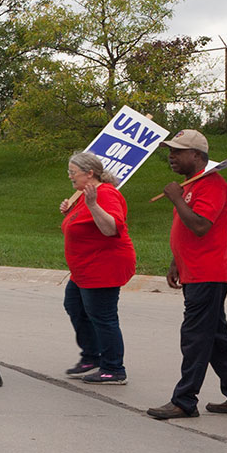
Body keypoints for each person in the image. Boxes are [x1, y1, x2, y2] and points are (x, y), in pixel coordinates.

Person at [147, 130, 227, 420]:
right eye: (170, 151)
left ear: (197, 155)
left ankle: (184, 400)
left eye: (178, 151)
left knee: (196, 337)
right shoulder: (191, 184)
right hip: (194, 270)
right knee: (216, 338)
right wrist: (176, 260)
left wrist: (176, 198)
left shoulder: (211, 185)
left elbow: (200, 226)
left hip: (208, 272)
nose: (171, 156)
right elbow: (186, 230)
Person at [59, 149, 135, 385]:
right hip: (83, 269)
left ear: (89, 173)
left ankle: (113, 368)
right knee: (74, 305)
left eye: (73, 172)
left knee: (103, 316)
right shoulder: (84, 194)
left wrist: (92, 205)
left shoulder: (105, 194)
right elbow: (84, 224)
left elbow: (111, 228)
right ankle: (92, 356)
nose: (70, 177)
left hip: (103, 267)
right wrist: (71, 211)